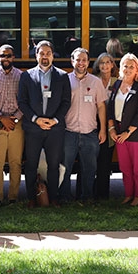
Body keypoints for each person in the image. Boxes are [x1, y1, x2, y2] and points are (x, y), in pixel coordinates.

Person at [18, 40, 71, 208]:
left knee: (54, 165)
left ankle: (54, 198)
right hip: (33, 128)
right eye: (41, 53)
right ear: (36, 55)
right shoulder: (26, 76)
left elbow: (66, 102)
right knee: (31, 164)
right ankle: (31, 199)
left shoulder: (62, 76)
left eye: (48, 53)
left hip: (55, 128)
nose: (45, 56)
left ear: (52, 55)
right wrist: (36, 119)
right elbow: (22, 102)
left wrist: (54, 120)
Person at [61, 48, 107, 203]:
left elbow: (101, 106)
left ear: (88, 62)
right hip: (69, 131)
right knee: (65, 168)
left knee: (89, 169)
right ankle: (65, 197)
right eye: (78, 60)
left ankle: (87, 197)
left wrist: (103, 129)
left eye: (84, 60)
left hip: (90, 133)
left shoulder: (96, 82)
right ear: (72, 61)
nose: (81, 63)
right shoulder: (64, 80)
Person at [107, 53, 138, 206]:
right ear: (121, 68)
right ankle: (128, 194)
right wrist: (111, 128)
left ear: (137, 69)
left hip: (135, 134)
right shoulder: (117, 84)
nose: (128, 69)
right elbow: (110, 108)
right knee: (124, 167)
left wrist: (128, 132)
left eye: (132, 66)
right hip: (118, 132)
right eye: (126, 65)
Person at [0, 44, 24, 204]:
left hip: (17, 124)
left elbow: (25, 101)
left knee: (16, 162)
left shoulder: (22, 77)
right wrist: (1, 118)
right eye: (2, 55)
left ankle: (13, 197)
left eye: (8, 55)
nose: (5, 58)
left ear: (13, 57)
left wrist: (14, 118)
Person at [93, 53, 118, 200]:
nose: (105, 65)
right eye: (102, 62)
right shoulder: (93, 80)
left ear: (112, 65)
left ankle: (103, 194)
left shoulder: (117, 82)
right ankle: (90, 191)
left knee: (105, 160)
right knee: (92, 159)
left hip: (111, 125)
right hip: (93, 122)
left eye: (108, 62)